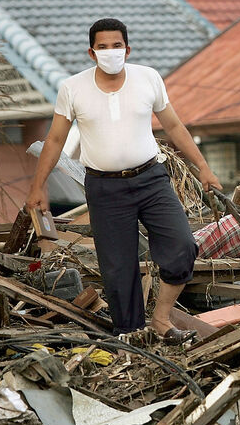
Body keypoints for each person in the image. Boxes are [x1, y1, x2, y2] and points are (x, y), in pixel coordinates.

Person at [25, 18, 221, 342]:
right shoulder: (73, 88)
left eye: (116, 46)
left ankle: (160, 319)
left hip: (151, 179)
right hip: (105, 187)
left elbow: (173, 126)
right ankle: (130, 337)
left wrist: (203, 166)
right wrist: (38, 187)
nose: (110, 52)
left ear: (127, 49)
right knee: (118, 269)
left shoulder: (148, 79)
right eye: (102, 47)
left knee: (182, 245)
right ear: (91, 53)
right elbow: (55, 140)